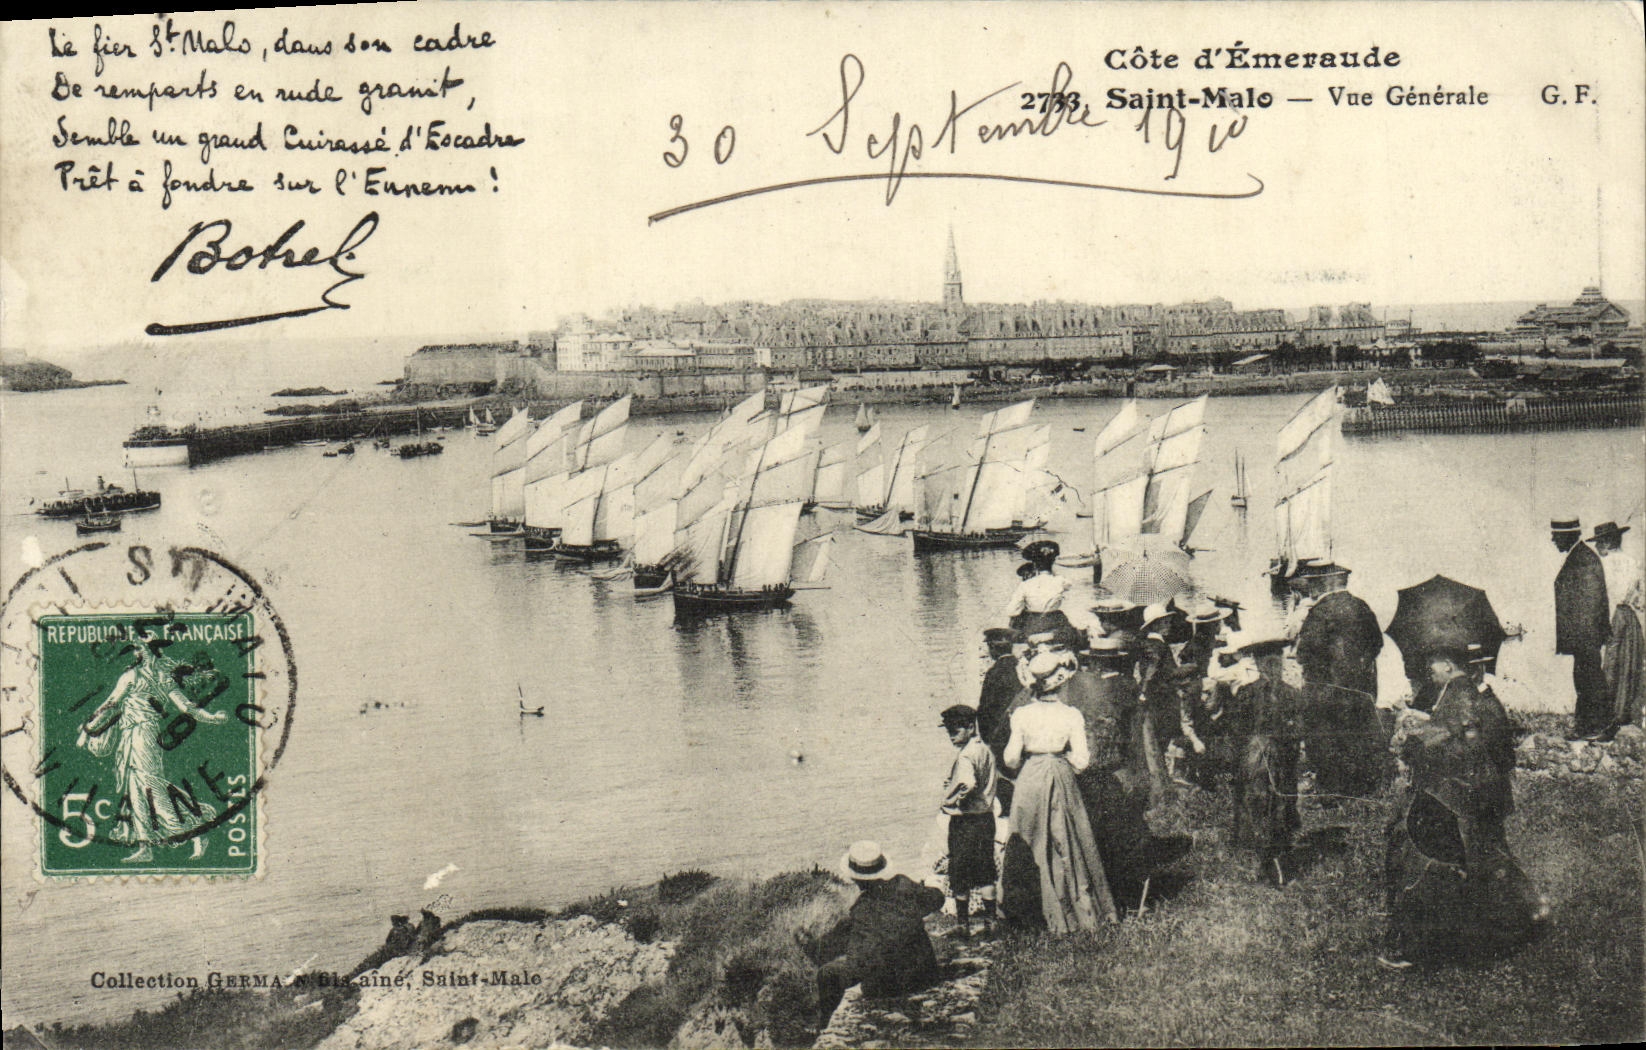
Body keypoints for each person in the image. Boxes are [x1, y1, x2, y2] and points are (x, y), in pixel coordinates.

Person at [1380, 648, 1541, 969]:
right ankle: (1519, 920)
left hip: (1453, 797)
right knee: (1486, 857)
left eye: (1432, 663)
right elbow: (1477, 742)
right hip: (1479, 795)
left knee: (1429, 861)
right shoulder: (1471, 695)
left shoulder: (1458, 696)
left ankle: (1421, 947)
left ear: (1448, 665)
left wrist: (1413, 741)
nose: (1429, 670)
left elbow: (1452, 746)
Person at [77, 630, 228, 862]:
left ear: (150, 651)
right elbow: (110, 704)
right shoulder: (131, 676)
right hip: (130, 736)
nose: (139, 652)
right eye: (138, 649)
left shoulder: (159, 677)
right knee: (136, 790)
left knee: (150, 786)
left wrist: (212, 718)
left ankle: (197, 825)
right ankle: (145, 846)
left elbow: (186, 707)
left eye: (142, 648)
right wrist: (90, 726)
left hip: (145, 735)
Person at [999, 651, 1119, 932]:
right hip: (1061, 773)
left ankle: (1031, 913)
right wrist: (1061, 762)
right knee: (1069, 839)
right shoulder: (1071, 715)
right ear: (1061, 682)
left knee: (1028, 839)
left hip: (1031, 776)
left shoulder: (1021, 714)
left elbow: (1011, 759)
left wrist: (1033, 760)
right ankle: (1078, 910)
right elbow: (1082, 760)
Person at [815, 842, 945, 1029]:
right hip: (926, 973)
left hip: (890, 987)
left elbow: (858, 963)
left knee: (826, 973)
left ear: (855, 878)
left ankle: (824, 1026)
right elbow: (937, 899)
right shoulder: (903, 883)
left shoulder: (862, 909)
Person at [1293, 564, 1386, 798]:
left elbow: (1306, 651)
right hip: (1361, 687)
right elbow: (1377, 643)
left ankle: (1332, 792)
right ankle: (1362, 787)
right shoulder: (1361, 606)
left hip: (1327, 690)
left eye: (1314, 582)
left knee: (1327, 740)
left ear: (1325, 583)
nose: (1311, 588)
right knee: (1356, 735)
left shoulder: (1320, 611)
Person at [1224, 630, 1305, 886]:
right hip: (1274, 759)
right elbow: (1298, 731)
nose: (1273, 665)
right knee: (1277, 805)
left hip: (1256, 758)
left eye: (1273, 660)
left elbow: (1235, 732)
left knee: (1260, 806)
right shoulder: (1290, 693)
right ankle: (1273, 862)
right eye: (1272, 661)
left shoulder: (1248, 693)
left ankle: (1264, 861)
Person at [939, 705, 998, 937]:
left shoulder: (965, 755)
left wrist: (957, 800)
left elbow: (968, 783)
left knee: (960, 873)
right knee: (986, 871)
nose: (952, 735)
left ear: (971, 727)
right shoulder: (984, 749)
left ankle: (963, 925)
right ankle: (991, 922)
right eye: (949, 731)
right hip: (986, 818)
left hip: (965, 822)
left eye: (956, 730)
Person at [1552, 518, 1612, 739]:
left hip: (1586, 636)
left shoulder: (1584, 559)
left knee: (1590, 679)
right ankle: (1588, 726)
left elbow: (1591, 601)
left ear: (1568, 535)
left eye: (1556, 535)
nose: (1553, 540)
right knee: (1584, 678)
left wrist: (1584, 639)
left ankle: (1597, 727)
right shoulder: (1579, 557)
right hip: (1584, 636)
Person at [1593, 521, 1645, 733]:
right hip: (1629, 616)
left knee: (1611, 663)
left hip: (1613, 615)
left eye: (1599, 543)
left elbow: (1601, 597)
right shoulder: (1634, 563)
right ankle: (1626, 712)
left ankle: (1608, 714)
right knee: (1630, 661)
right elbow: (1639, 600)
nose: (1597, 547)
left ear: (1606, 542)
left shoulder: (1603, 564)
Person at [1004, 540, 1075, 637]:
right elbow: (1068, 584)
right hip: (1056, 623)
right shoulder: (1061, 581)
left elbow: (1011, 611)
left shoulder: (1025, 585)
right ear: (1052, 562)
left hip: (1033, 626)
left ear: (1034, 564)